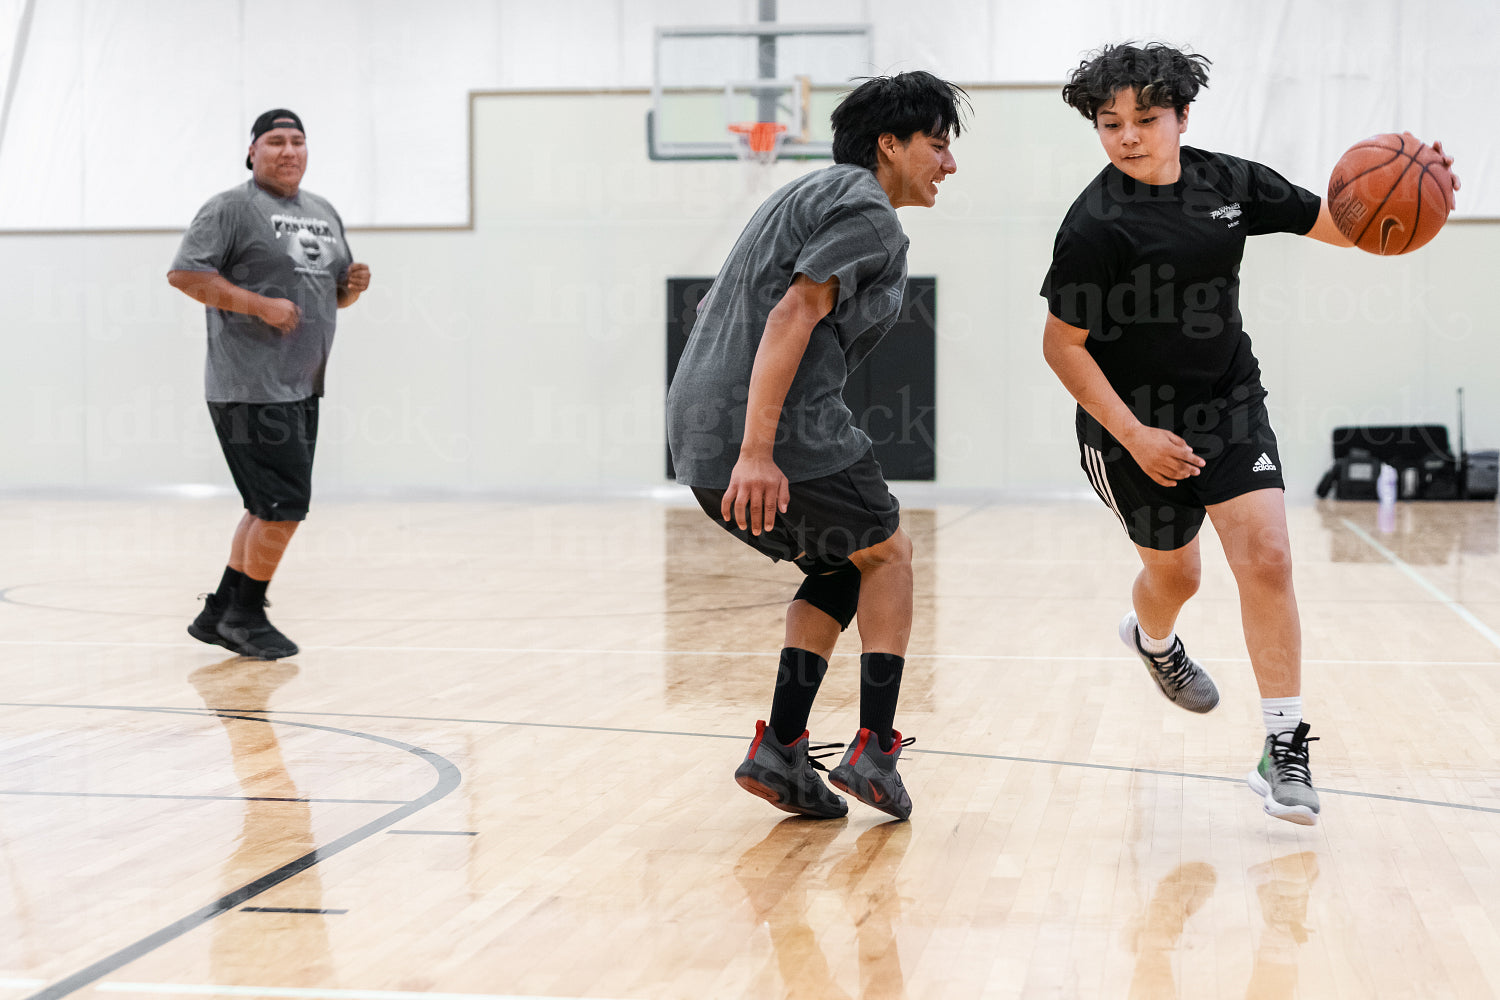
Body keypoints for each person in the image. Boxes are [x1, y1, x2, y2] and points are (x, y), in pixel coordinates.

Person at [1040, 43, 1458, 824]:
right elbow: (1060, 345)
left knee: (1266, 558)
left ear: (1183, 116)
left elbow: (1338, 221)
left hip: (1228, 404)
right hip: (1128, 426)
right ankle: (1154, 642)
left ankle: (1283, 745)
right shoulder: (1093, 225)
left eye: (1146, 118)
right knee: (1179, 579)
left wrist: (1416, 190)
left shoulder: (1224, 182)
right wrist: (1133, 436)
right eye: (1109, 123)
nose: (1128, 136)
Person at [666, 72, 968, 821]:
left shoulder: (794, 197)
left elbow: (715, 305)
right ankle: (874, 746)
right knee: (891, 554)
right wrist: (758, 450)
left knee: (842, 565)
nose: (948, 165)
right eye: (937, 145)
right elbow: (794, 312)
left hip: (695, 433)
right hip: (775, 436)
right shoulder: (868, 212)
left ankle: (782, 750)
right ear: (889, 145)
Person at [169, 109, 371, 660]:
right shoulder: (232, 207)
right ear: (253, 152)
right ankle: (246, 616)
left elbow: (333, 294)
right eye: (276, 141)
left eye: (298, 141)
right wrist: (258, 305)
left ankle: (221, 611)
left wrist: (351, 288)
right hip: (249, 386)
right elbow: (186, 273)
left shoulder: (322, 213)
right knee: (283, 508)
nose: (289, 151)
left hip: (302, 385)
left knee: (265, 506)